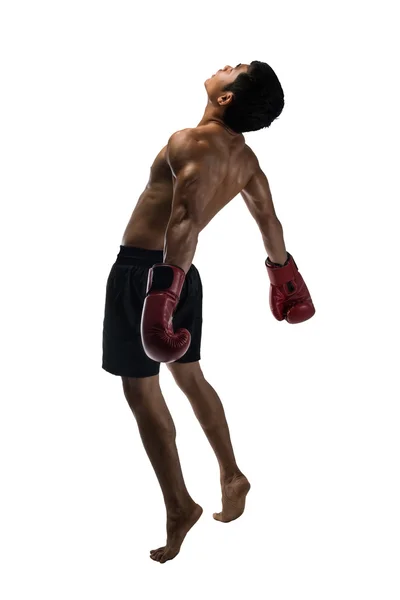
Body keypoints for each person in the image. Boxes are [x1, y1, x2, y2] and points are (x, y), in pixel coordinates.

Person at [102, 61, 315, 563]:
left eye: (235, 69)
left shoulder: (190, 141)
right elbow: (268, 218)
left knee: (140, 388)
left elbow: (183, 217)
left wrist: (162, 294)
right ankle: (232, 474)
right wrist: (284, 276)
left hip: (148, 275)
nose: (226, 66)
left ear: (226, 98)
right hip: (184, 278)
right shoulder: (245, 159)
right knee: (191, 377)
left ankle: (179, 505)